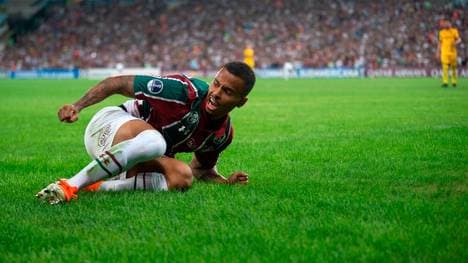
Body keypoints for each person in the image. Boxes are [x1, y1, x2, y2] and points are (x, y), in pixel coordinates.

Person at [36, 61, 255, 204]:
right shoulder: (183, 91)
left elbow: (201, 170)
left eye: (227, 92)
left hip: (133, 155)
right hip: (109, 125)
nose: (215, 93)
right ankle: (69, 185)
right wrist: (78, 106)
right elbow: (117, 83)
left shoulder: (222, 134)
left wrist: (226, 182)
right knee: (156, 142)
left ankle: (98, 187)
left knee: (182, 177)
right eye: (216, 84)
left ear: (241, 102)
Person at [437, 20, 462, 87]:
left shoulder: (454, 31)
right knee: (445, 67)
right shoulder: (441, 32)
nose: (447, 25)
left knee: (453, 67)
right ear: (444, 25)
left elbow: (459, 39)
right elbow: (440, 43)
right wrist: (438, 52)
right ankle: (445, 82)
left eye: (448, 24)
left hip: (452, 52)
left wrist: (456, 43)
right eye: (445, 24)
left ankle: (454, 82)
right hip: (444, 52)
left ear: (450, 24)